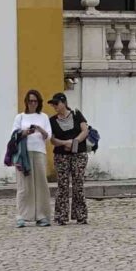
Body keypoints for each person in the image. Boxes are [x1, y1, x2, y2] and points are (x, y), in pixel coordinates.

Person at [10, 89, 53, 227]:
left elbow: (48, 136)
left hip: (39, 152)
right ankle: (21, 215)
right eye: (30, 101)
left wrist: (39, 129)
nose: (32, 103)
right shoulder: (20, 117)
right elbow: (14, 134)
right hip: (24, 153)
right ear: (26, 102)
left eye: (35, 101)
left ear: (38, 102)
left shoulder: (44, 117)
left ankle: (42, 215)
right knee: (24, 185)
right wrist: (25, 132)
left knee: (41, 184)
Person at [48, 92, 91, 225]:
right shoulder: (52, 120)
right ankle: (61, 215)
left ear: (64, 103)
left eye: (57, 103)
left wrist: (74, 142)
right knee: (63, 185)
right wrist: (64, 143)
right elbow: (52, 139)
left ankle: (80, 214)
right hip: (61, 156)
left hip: (78, 154)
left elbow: (85, 130)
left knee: (78, 183)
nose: (55, 106)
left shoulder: (76, 114)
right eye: (53, 104)